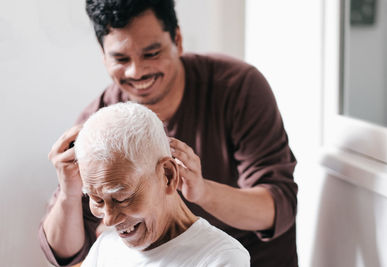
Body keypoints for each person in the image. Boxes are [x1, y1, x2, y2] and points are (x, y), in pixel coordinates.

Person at [39, 0, 298, 266]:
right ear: (103, 56)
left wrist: (202, 192)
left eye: (151, 53)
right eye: (121, 58)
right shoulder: (100, 121)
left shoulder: (237, 88)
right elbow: (65, 254)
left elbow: (277, 209)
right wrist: (69, 193)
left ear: (177, 39)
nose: (137, 71)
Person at [73, 102, 250, 267]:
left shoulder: (220, 258)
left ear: (168, 175)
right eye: (97, 201)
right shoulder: (106, 246)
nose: (108, 220)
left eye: (122, 199)